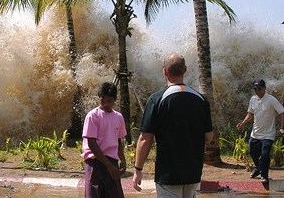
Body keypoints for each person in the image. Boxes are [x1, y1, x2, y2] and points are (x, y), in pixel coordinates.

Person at [133, 54, 214, 197]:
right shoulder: (201, 99)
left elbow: (145, 139)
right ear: (185, 70)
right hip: (193, 173)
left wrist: (138, 169)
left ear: (164, 71)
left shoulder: (156, 99)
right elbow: (208, 136)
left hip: (168, 174)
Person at [81, 82, 127, 198]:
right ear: (99, 98)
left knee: (114, 194)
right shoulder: (92, 116)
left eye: (109, 101)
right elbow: (91, 143)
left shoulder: (118, 117)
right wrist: (108, 165)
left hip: (112, 161)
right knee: (95, 193)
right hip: (95, 162)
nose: (106, 104)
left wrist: (122, 159)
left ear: (115, 99)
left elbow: (118, 140)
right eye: (103, 100)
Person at [236, 79, 284, 183]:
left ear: (264, 88)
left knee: (265, 154)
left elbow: (281, 112)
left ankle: (264, 175)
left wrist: (282, 127)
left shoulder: (271, 100)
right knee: (253, 153)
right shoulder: (253, 99)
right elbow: (250, 113)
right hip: (255, 133)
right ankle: (258, 168)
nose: (257, 91)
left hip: (268, 134)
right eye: (255, 89)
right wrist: (243, 123)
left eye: (259, 89)